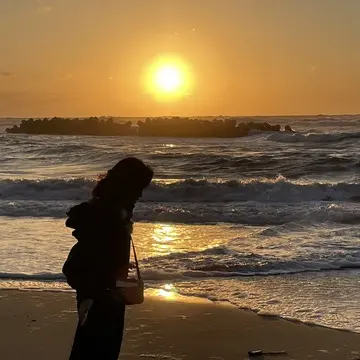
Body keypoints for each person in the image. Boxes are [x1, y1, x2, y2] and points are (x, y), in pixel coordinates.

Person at [63, 157, 153, 360]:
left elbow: (95, 257)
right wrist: (103, 286)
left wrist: (117, 266)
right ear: (125, 187)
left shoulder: (109, 214)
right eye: (138, 188)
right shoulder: (105, 218)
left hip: (101, 296)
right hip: (100, 299)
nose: (140, 195)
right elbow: (76, 266)